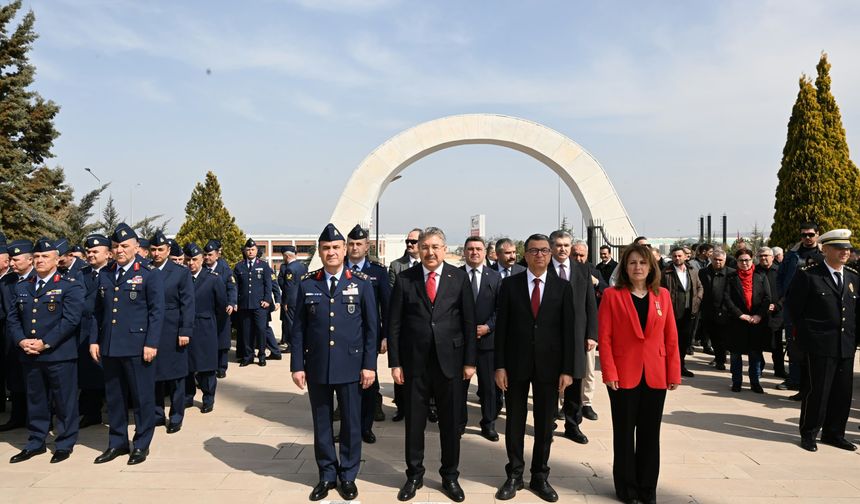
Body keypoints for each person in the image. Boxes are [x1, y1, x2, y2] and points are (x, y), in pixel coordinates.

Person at [388, 227, 476, 503]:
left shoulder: (458, 278)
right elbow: (394, 325)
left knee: (450, 424)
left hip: (451, 363)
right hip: (415, 365)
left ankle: (450, 476)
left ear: (444, 248)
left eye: (436, 246)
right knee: (414, 423)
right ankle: (414, 474)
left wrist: (470, 361)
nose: (430, 252)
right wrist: (395, 363)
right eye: (425, 246)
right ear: (419, 249)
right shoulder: (405, 279)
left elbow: (469, 322)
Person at [290, 223, 378, 501]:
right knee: (322, 423)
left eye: (336, 247)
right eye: (326, 248)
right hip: (317, 365)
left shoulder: (361, 283)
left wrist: (369, 365)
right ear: (320, 251)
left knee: (351, 423)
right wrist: (297, 365)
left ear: (344, 251)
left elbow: (371, 329)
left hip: (351, 366)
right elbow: (299, 330)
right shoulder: (308, 283)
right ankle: (327, 474)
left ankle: (348, 475)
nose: (331, 252)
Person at [494, 234, 576, 503]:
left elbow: (569, 332)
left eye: (544, 250)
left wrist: (567, 370)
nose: (539, 255)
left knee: (544, 426)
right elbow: (502, 329)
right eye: (533, 251)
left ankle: (540, 475)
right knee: (515, 422)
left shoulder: (563, 288)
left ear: (551, 254)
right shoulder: (510, 285)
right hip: (516, 366)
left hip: (550, 368)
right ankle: (515, 474)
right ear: (525, 255)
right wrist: (499, 366)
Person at [599, 243, 680, 504]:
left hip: (655, 374)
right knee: (624, 434)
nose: (638, 267)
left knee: (649, 435)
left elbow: (671, 337)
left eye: (643, 263)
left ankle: (648, 489)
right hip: (623, 375)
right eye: (632, 262)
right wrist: (609, 371)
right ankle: (627, 489)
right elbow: (606, 337)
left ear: (651, 267)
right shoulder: (613, 295)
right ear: (625, 266)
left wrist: (673, 373)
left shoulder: (663, 296)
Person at [91, 223, 165, 465]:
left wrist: (151, 343)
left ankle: (141, 445)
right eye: (115, 246)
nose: (119, 250)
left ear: (136, 247)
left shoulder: (149, 273)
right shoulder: (106, 273)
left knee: (142, 398)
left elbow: (157, 312)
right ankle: (117, 443)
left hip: (138, 345)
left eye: (124, 245)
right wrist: (94, 340)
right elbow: (97, 312)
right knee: (115, 398)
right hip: (111, 345)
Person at [6, 238, 84, 464]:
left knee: (64, 401)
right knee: (36, 400)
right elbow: (13, 318)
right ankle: (36, 441)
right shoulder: (23, 285)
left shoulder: (70, 284)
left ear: (57, 259)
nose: (40, 260)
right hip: (29, 353)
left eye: (45, 256)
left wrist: (45, 342)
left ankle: (65, 443)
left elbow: (70, 320)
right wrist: (21, 341)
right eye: (37, 256)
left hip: (58, 354)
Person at [787, 229, 858, 452]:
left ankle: (834, 433)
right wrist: (809, 337)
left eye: (847, 248)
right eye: (839, 248)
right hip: (819, 344)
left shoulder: (853, 277)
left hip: (845, 344)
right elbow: (794, 310)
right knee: (817, 391)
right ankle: (809, 433)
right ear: (824, 249)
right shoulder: (809, 275)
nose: (844, 252)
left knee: (842, 393)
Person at [548, 231, 597, 445]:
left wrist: (591, 335)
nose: (563, 249)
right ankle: (547, 422)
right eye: (558, 245)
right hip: (548, 337)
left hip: (576, 336)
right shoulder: (543, 268)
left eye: (566, 244)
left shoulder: (583, 270)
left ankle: (572, 424)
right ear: (551, 247)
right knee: (548, 382)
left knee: (576, 383)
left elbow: (590, 306)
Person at [149, 231, 195, 432]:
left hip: (172, 328)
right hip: (151, 330)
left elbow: (187, 303)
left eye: (160, 249)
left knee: (176, 376)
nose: (156, 253)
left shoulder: (180, 272)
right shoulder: (146, 270)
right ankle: (157, 414)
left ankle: (176, 415)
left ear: (168, 251)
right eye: (153, 249)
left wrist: (185, 330)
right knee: (154, 375)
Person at [458, 236, 502, 441]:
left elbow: (500, 309)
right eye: (470, 249)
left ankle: (489, 424)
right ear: (464, 252)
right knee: (458, 387)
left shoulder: (495, 277)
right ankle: (458, 423)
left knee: (489, 388)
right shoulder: (454, 276)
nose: (474, 252)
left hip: (487, 342)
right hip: (460, 343)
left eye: (478, 249)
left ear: (484, 252)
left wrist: (488, 327)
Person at [776, 222, 824, 394]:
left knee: (815, 345)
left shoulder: (824, 253)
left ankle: (813, 382)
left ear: (818, 234)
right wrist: (783, 295)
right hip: (793, 305)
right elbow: (780, 276)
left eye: (811, 234)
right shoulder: (792, 254)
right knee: (793, 342)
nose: (807, 238)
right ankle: (794, 379)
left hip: (816, 305)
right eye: (804, 235)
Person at [184, 243, 227, 414]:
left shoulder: (213, 278)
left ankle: (208, 398)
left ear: (202, 259)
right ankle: (187, 396)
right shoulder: (182, 277)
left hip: (205, 327)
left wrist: (213, 324)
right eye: (188, 260)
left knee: (207, 366)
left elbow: (221, 306)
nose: (191, 263)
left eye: (194, 259)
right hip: (186, 328)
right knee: (186, 366)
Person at [723, 249, 771, 393]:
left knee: (755, 354)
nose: (744, 263)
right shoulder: (731, 277)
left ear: (752, 260)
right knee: (736, 355)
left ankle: (755, 382)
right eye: (741, 260)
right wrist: (739, 314)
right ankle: (736, 381)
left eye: (747, 260)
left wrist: (759, 316)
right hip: (738, 322)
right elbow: (727, 298)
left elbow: (767, 298)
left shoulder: (760, 276)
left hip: (756, 321)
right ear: (736, 262)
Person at [387, 227, 422, 421]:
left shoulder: (429, 264)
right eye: (407, 241)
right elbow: (393, 296)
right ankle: (401, 406)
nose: (409, 244)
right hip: (403, 325)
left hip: (424, 326)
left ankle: (429, 407)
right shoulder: (396, 265)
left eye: (413, 242)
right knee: (400, 368)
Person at [0, 240, 36, 431]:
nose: (12, 263)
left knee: (34, 381)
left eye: (16, 260)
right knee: (15, 379)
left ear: (30, 260)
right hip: (12, 337)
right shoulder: (7, 281)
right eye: (11, 260)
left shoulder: (38, 278)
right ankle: (17, 417)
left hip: (33, 337)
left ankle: (36, 419)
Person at [78, 234, 111, 428]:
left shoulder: (112, 273)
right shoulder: (81, 274)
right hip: (84, 330)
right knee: (88, 375)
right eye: (88, 251)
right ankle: (91, 413)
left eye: (95, 251)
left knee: (107, 375)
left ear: (107, 253)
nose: (90, 254)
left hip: (105, 329)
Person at [571, 240, 605, 422]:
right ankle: (563, 403)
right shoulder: (563, 271)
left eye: (581, 255)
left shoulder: (592, 271)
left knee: (588, 369)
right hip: (567, 330)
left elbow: (604, 295)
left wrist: (592, 334)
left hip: (586, 330)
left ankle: (587, 402)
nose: (578, 258)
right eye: (574, 254)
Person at [661, 246, 703, 378]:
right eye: (674, 256)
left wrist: (698, 299)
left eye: (680, 256)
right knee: (672, 341)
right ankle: (670, 367)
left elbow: (699, 286)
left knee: (685, 341)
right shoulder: (665, 272)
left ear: (685, 256)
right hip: (672, 313)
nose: (677, 258)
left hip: (689, 311)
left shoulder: (693, 270)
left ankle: (681, 365)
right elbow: (660, 291)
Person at [234, 239, 273, 367]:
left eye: (252, 250)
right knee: (246, 332)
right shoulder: (239, 266)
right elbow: (236, 287)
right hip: (244, 305)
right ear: (245, 251)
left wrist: (267, 300)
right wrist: (235, 302)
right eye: (248, 250)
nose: (250, 252)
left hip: (260, 305)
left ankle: (262, 355)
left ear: (257, 251)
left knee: (261, 330)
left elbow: (268, 284)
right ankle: (248, 356)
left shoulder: (263, 265)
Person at [203, 240, 237, 379]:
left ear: (217, 255)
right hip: (206, 310)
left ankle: (222, 367)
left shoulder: (224, 269)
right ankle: (209, 366)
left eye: (210, 255)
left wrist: (231, 302)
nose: (207, 257)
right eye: (205, 255)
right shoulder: (201, 269)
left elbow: (231, 287)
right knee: (207, 340)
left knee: (222, 341)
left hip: (222, 311)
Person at [698, 249, 733, 371]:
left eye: (720, 260)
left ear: (725, 260)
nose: (718, 262)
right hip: (708, 310)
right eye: (715, 259)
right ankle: (719, 359)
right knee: (714, 337)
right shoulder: (703, 272)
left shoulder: (732, 273)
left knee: (724, 337)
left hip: (725, 310)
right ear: (711, 260)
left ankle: (721, 359)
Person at [756, 247, 787, 379]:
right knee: (758, 343)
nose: (763, 258)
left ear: (773, 257)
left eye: (766, 256)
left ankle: (779, 369)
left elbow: (787, 292)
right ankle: (759, 368)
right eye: (761, 256)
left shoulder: (780, 271)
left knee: (777, 345)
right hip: (759, 313)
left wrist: (778, 305)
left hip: (777, 314)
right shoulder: (754, 271)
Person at [278, 246, 307, 350]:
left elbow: (288, 287)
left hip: (291, 300)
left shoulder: (290, 268)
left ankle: (291, 345)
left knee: (291, 323)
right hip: (301, 298)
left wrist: (285, 302)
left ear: (287, 256)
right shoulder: (302, 266)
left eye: (283, 256)